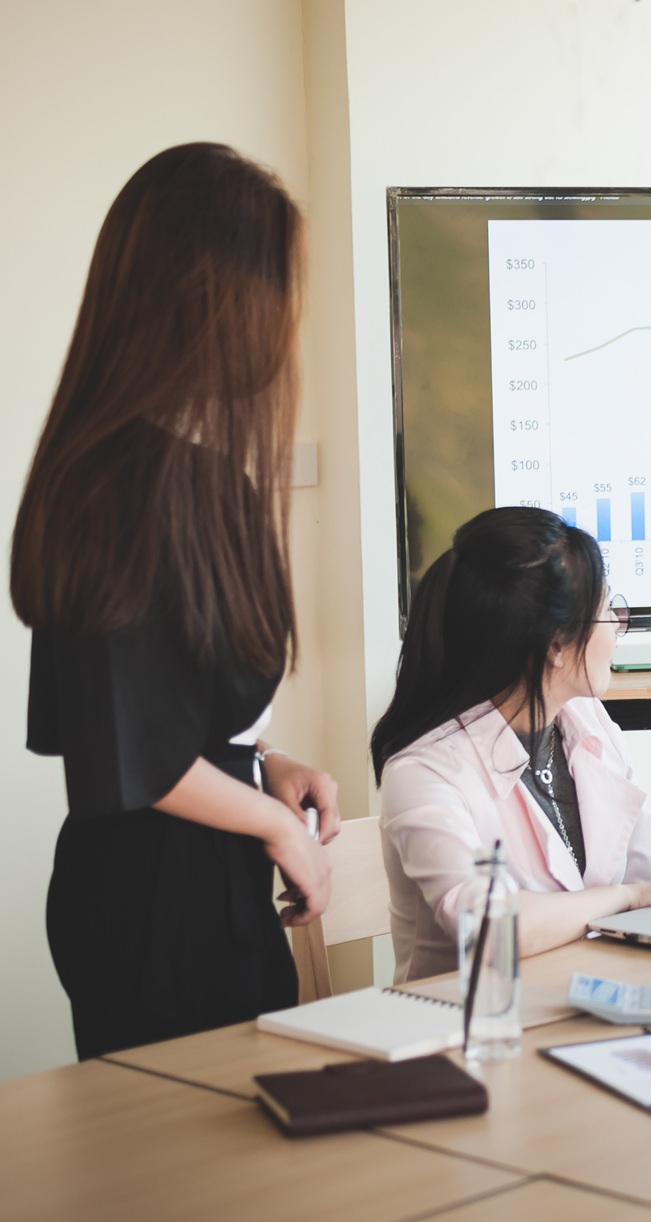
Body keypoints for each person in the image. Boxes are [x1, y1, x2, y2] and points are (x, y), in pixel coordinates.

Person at [14, 143, 341, 1059]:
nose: (287, 321)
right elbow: (136, 758)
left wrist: (261, 763)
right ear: (213, 296)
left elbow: (169, 719)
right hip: (157, 912)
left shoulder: (173, 475)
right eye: (281, 289)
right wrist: (278, 823)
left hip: (197, 887)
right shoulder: (118, 489)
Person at [372, 507, 651, 982]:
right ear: (556, 643)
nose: (619, 624)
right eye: (604, 610)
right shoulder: (424, 771)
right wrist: (627, 898)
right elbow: (488, 928)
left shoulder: (586, 721)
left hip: (587, 997)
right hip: (464, 1029)